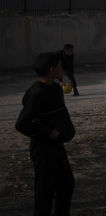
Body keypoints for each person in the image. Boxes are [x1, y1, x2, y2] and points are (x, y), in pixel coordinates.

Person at [15, 52, 76, 216]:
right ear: (51, 69)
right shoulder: (37, 93)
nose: (62, 68)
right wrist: (48, 132)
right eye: (60, 66)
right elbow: (22, 123)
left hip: (57, 147)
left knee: (66, 184)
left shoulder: (55, 88)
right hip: (43, 149)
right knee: (45, 191)